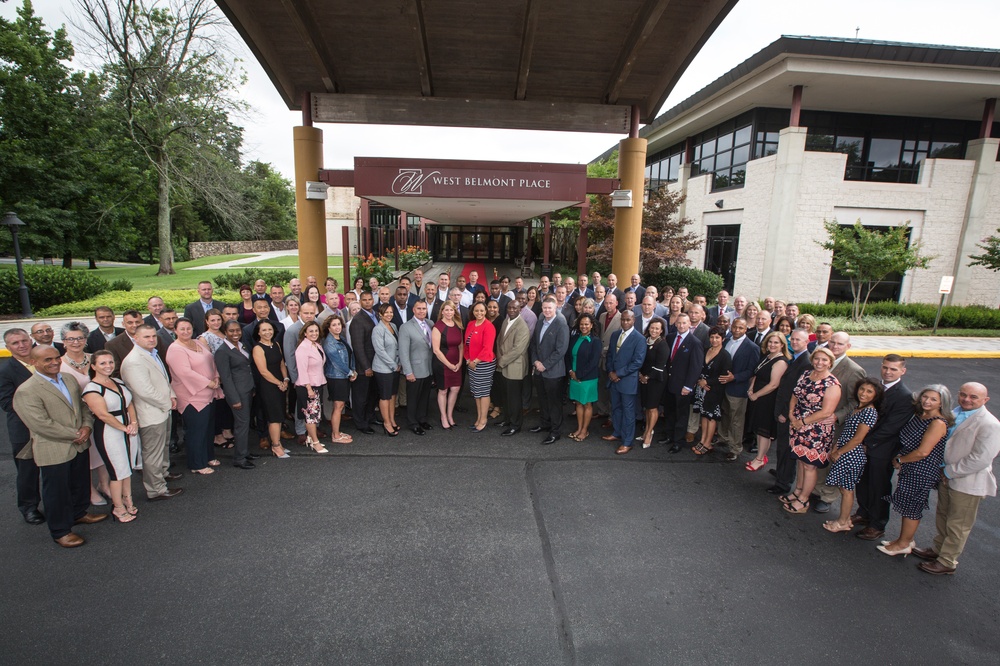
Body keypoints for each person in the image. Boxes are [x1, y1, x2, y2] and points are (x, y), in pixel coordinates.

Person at [13, 346, 103, 547]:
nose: (54, 362)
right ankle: (60, 530)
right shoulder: (26, 390)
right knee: (56, 492)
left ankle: (79, 513)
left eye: (56, 358)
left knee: (79, 482)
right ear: (34, 362)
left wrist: (87, 426)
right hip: (54, 448)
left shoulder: (68, 379)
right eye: (47, 360)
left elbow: (82, 407)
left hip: (79, 442)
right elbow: (40, 424)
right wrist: (75, 434)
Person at [913, 382, 1000, 575]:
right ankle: (937, 550)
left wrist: (949, 471)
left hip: (967, 481)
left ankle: (947, 561)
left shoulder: (990, 424)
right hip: (946, 476)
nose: (967, 399)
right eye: (963, 395)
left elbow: (981, 458)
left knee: (958, 524)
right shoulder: (954, 412)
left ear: (985, 400)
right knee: (943, 515)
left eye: (973, 397)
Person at [878, 385, 954, 557]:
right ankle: (903, 539)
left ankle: (904, 544)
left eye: (934, 399)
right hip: (910, 466)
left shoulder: (937, 423)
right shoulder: (921, 416)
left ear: (942, 403)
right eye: (925, 397)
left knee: (912, 507)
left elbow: (923, 452)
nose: (927, 401)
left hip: (921, 469)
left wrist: (900, 460)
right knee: (907, 504)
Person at [854, 354, 914, 541]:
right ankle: (864, 513)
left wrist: (865, 441)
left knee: (879, 486)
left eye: (893, 369)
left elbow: (891, 427)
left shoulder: (905, 396)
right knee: (863, 482)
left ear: (902, 371)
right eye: (886, 367)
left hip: (883, 449)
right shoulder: (876, 388)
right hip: (866, 445)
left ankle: (877, 524)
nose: (888, 372)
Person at [120, 325, 183, 500]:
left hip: (163, 409)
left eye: (153, 336)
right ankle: (156, 490)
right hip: (151, 413)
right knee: (153, 453)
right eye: (146, 337)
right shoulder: (134, 361)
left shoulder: (151, 354)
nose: (151, 339)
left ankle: (163, 473)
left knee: (162, 447)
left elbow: (163, 379)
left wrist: (171, 396)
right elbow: (145, 391)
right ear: (136, 338)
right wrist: (166, 403)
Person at [82, 351, 141, 524]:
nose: (108, 366)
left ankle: (128, 499)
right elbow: (103, 415)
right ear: (93, 366)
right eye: (102, 363)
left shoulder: (118, 382)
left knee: (128, 467)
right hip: (109, 432)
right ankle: (118, 507)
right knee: (117, 470)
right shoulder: (92, 389)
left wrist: (134, 422)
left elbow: (129, 403)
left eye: (110, 362)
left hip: (129, 429)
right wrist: (124, 428)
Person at [782, 347, 842, 514]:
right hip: (797, 425)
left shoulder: (832, 384)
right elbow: (795, 395)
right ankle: (798, 491)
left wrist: (802, 421)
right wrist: (791, 416)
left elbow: (826, 412)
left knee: (810, 466)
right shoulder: (806, 375)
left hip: (816, 431)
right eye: (817, 359)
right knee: (801, 461)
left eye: (824, 360)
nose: (819, 362)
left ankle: (804, 499)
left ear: (830, 362)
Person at [812, 331, 867, 513]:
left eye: (840, 344)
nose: (835, 346)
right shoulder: (821, 362)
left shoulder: (854, 370)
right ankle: (817, 489)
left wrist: (836, 416)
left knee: (831, 460)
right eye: (832, 342)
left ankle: (828, 496)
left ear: (848, 347)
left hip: (836, 424)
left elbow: (856, 401)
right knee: (819, 458)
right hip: (816, 422)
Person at [59, 322, 112, 507]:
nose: (76, 342)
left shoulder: (95, 359)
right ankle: (89, 489)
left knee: (103, 448)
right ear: (63, 341)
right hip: (77, 417)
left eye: (80, 338)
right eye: (71, 339)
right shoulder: (59, 365)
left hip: (101, 413)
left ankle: (104, 484)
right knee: (86, 453)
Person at [822, 378, 883, 533]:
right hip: (845, 451)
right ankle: (843, 519)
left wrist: (839, 452)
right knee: (844, 489)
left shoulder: (869, 411)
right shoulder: (858, 407)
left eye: (869, 391)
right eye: (862, 389)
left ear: (876, 395)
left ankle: (843, 522)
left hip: (852, 455)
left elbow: (858, 438)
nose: (864, 393)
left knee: (847, 489)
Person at [0, 329, 44, 525]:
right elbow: (7, 403)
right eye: (15, 343)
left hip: (52, 425)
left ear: (30, 340)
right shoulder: (6, 371)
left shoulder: (44, 361)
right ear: (8, 348)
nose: (22, 345)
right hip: (24, 428)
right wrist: (37, 410)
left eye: (24, 340)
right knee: (28, 471)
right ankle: (29, 507)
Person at [767, 330, 812, 495]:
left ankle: (783, 483)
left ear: (806, 341)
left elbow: (798, 393)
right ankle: (781, 473)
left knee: (786, 449)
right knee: (781, 448)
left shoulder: (806, 362)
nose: (794, 342)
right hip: (783, 410)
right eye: (792, 339)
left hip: (789, 414)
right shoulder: (796, 358)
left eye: (798, 339)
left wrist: (785, 413)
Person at [215, 321, 260, 468]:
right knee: (241, 425)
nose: (235, 334)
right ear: (225, 332)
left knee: (245, 424)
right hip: (237, 394)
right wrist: (234, 398)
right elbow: (225, 378)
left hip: (247, 389)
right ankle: (239, 458)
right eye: (231, 331)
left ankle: (245, 452)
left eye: (238, 331)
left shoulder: (241, 345)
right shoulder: (222, 351)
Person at [744, 332, 790, 471]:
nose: (772, 345)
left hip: (768, 399)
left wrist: (756, 395)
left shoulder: (780, 361)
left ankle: (760, 459)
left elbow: (773, 384)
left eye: (776, 342)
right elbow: (757, 374)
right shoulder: (768, 357)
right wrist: (751, 389)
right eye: (770, 342)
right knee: (758, 428)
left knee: (764, 431)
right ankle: (760, 455)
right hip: (757, 397)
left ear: (782, 345)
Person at [659, 313, 704, 452]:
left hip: (683, 386)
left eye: (684, 323)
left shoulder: (695, 342)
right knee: (669, 411)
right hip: (669, 383)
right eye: (679, 323)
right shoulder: (670, 337)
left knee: (681, 415)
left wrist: (688, 386)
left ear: (689, 324)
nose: (681, 325)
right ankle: (669, 435)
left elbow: (695, 367)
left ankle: (678, 441)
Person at [717, 317, 760, 461]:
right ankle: (722, 437)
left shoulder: (752, 347)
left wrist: (734, 377)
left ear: (746, 329)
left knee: (736, 420)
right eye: (735, 327)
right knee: (724, 414)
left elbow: (751, 371)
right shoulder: (727, 341)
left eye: (740, 328)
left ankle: (735, 448)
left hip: (738, 388)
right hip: (723, 386)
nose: (737, 330)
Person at [530, 298, 571, 446]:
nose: (547, 310)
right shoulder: (540, 322)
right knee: (542, 400)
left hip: (553, 372)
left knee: (554, 403)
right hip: (539, 370)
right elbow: (534, 344)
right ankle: (545, 423)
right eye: (545, 308)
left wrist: (544, 365)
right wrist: (535, 361)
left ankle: (555, 432)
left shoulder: (561, 325)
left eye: (550, 308)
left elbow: (561, 350)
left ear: (555, 309)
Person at [605, 310, 647, 454]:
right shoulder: (615, 334)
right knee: (616, 408)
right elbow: (610, 355)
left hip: (627, 381)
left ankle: (627, 442)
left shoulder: (639, 339)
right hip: (614, 380)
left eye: (628, 320)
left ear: (633, 320)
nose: (625, 322)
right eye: (623, 319)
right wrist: (611, 371)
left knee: (629, 412)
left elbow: (637, 362)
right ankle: (617, 432)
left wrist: (619, 373)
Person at [251, 320, 291, 458]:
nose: (267, 332)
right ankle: (275, 446)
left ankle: (278, 443)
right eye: (264, 330)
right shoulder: (258, 348)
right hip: (268, 386)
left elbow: (281, 364)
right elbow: (263, 371)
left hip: (280, 383)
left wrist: (285, 379)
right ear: (258, 332)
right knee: (274, 416)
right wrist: (278, 383)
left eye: (270, 329)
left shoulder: (276, 344)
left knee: (279, 414)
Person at [692, 327, 732, 455]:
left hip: (714, 389)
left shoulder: (725, 356)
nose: (714, 340)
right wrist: (700, 382)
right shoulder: (705, 350)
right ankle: (703, 440)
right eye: (712, 337)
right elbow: (697, 367)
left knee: (711, 417)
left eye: (717, 337)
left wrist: (707, 382)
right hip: (701, 388)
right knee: (703, 415)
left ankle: (708, 443)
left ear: (723, 339)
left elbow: (723, 376)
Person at [397, 301, 434, 436]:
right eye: (419, 308)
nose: (421, 311)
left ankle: (422, 419)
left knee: (425, 396)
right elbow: (403, 352)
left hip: (428, 368)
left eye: (424, 308)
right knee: (412, 398)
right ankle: (413, 423)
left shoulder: (430, 324)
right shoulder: (406, 327)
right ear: (413, 310)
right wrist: (408, 371)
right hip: (414, 369)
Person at [495, 300, 531, 437]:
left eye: (514, 308)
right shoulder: (506, 320)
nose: (511, 310)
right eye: (509, 307)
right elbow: (499, 340)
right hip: (503, 365)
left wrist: (501, 361)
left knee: (515, 399)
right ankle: (507, 420)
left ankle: (515, 425)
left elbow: (518, 350)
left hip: (514, 367)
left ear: (519, 309)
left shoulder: (522, 327)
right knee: (506, 397)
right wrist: (499, 358)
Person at [295, 321, 330, 452]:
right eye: (311, 331)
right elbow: (302, 371)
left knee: (314, 415)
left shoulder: (316, 345)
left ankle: (311, 437)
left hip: (318, 383)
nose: (314, 333)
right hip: (308, 387)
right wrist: (309, 389)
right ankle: (315, 442)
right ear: (305, 333)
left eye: (316, 331)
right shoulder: (303, 348)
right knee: (310, 416)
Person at [565, 313, 600, 442]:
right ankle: (579, 428)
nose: (584, 326)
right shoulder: (574, 338)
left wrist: (579, 375)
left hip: (588, 378)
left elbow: (594, 362)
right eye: (581, 324)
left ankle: (585, 430)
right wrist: (571, 372)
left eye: (586, 324)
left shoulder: (595, 341)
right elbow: (568, 356)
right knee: (578, 403)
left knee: (587, 404)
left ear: (591, 325)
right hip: (573, 377)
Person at [320, 315, 355, 444]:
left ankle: (338, 432)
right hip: (336, 377)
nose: (337, 327)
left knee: (339, 406)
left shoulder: (342, 338)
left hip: (344, 376)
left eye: (339, 324)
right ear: (328, 328)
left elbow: (350, 355)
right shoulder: (329, 343)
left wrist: (352, 370)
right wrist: (350, 372)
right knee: (338, 406)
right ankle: (335, 435)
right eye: (334, 325)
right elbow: (337, 363)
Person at [464, 301, 497, 432]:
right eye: (476, 311)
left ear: (486, 312)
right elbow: (466, 344)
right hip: (471, 363)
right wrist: (468, 360)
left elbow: (487, 348)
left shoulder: (489, 326)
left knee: (483, 392)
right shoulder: (470, 324)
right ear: (473, 312)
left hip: (484, 364)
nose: (479, 313)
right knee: (476, 393)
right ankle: (478, 418)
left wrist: (475, 361)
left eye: (482, 311)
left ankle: (483, 420)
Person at [350, 291, 379, 435]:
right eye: (364, 300)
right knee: (361, 397)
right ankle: (361, 423)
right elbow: (358, 346)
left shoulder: (376, 315)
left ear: (373, 300)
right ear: (360, 301)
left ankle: (370, 417)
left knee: (372, 395)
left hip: (376, 364)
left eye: (370, 299)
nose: (367, 302)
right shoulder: (358, 320)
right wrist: (366, 366)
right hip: (364, 367)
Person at [637, 317, 669, 449]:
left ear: (661, 331)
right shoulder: (645, 341)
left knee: (652, 407)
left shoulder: (662, 345)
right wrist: (640, 374)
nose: (654, 330)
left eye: (657, 328)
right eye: (652, 327)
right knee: (646, 407)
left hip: (655, 380)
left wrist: (647, 377)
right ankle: (645, 431)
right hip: (643, 378)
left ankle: (649, 433)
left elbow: (659, 366)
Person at [433, 301, 464, 430]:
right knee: (443, 390)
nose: (449, 312)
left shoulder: (458, 325)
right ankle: (443, 416)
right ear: (442, 311)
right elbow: (436, 350)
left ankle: (450, 415)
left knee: (455, 389)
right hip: (442, 363)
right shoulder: (438, 326)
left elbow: (461, 346)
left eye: (451, 310)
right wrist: (449, 365)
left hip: (457, 362)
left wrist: (460, 362)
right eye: (446, 310)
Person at [372, 303, 401, 437]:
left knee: (393, 395)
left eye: (391, 312)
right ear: (380, 314)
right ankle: (386, 423)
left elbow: (397, 346)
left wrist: (398, 363)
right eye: (386, 312)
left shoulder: (393, 326)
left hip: (395, 367)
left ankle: (392, 419)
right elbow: (380, 351)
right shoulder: (378, 329)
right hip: (383, 369)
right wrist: (393, 365)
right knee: (385, 396)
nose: (389, 314)